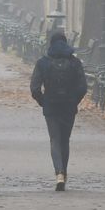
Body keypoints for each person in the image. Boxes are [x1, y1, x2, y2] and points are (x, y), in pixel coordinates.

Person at [30, 30, 89, 191]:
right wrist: (74, 101)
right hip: (69, 105)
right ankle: (65, 172)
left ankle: (59, 173)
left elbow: (34, 88)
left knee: (54, 139)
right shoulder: (75, 62)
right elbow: (83, 87)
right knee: (65, 140)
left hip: (51, 106)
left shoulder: (43, 62)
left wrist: (44, 102)